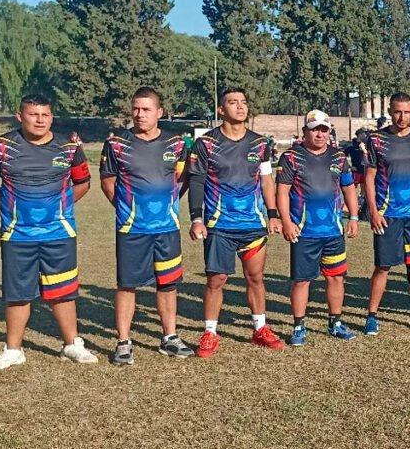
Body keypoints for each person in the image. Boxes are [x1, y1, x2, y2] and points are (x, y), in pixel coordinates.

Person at [0, 94, 97, 371]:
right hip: (17, 234)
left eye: (45, 115)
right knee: (17, 292)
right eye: (33, 114)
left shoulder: (69, 147)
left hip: (59, 232)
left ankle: (71, 345)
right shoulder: (0, 146)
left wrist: (59, 209)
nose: (40, 120)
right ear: (20, 116)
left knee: (63, 290)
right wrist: (9, 208)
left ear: (52, 117)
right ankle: (13, 350)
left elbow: (83, 183)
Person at [99, 87, 194, 365]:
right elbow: (108, 180)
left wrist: (169, 206)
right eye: (136, 109)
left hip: (166, 228)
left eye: (146, 109)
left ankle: (170, 338)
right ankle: (124, 342)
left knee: (167, 284)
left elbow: (182, 180)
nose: (140, 115)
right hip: (132, 229)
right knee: (127, 285)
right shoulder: (117, 143)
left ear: (159, 113)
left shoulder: (176, 144)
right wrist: (126, 208)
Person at [187, 87, 284, 358]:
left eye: (243, 102)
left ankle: (260, 329)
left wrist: (273, 213)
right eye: (232, 102)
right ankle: (209, 333)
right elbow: (196, 180)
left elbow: (266, 179)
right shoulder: (206, 144)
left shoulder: (260, 143)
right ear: (221, 109)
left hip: (253, 223)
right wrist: (197, 218)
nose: (240, 107)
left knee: (255, 278)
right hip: (219, 225)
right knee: (216, 280)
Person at [275, 110, 361, 345]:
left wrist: (353, 217)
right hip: (304, 232)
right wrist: (286, 221)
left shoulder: (339, 157)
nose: (320, 134)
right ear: (305, 131)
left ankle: (336, 323)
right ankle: (299, 326)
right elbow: (281, 192)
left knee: (336, 278)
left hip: (333, 231)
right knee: (302, 281)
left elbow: (349, 188)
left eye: (324, 129)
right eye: (315, 129)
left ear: (329, 131)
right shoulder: (291, 157)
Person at [362, 93, 410, 336]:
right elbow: (369, 178)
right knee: (383, 266)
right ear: (390, 110)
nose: (402, 117)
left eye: (406, 112)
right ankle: (371, 316)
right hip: (387, 215)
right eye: (397, 111)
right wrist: (373, 212)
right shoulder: (376, 140)